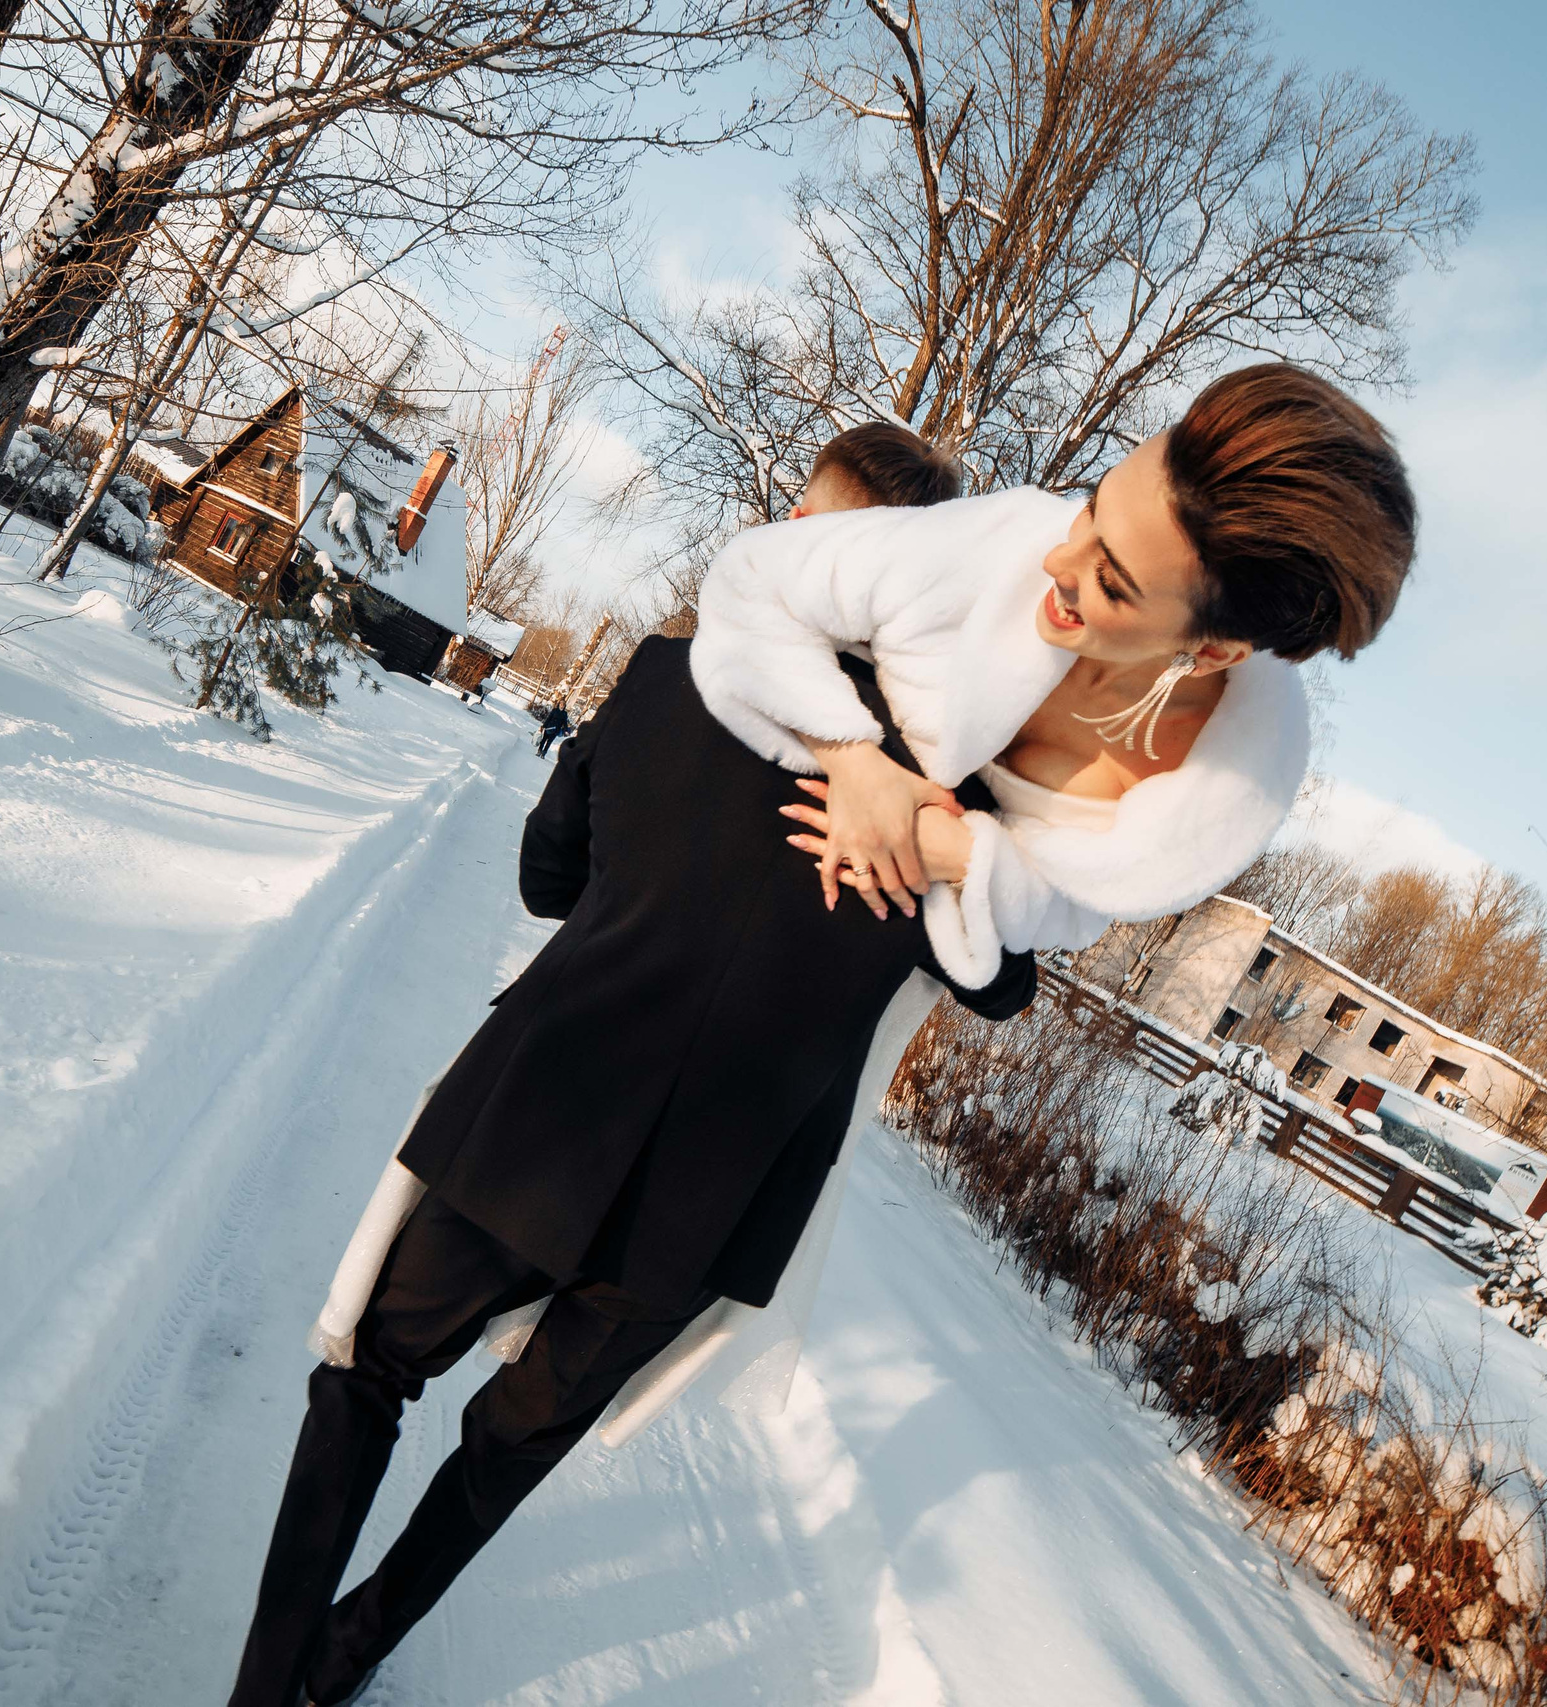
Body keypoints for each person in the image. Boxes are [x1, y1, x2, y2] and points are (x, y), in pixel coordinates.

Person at [224, 425, 1012, 1707]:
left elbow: (546, 879)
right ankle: (345, 1658)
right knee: (509, 1450)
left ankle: (266, 1686)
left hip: (546, 1113)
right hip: (711, 1200)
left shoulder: (672, 676)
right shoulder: (951, 800)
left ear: (803, 540)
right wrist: (948, 855)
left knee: (368, 1372)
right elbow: (1000, 982)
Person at [693, 363, 1417, 984]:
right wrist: (854, 762)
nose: (1055, 561)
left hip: (866, 988)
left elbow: (1076, 907)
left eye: (1112, 583)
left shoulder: (1205, 797)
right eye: (1093, 508)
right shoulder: (997, 542)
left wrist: (960, 854)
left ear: (1213, 651)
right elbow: (752, 579)